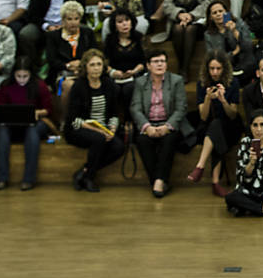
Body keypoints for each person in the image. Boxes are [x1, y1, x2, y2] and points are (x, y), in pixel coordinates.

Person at [131, 50, 190, 198]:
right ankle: (159, 181)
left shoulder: (176, 80)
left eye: (162, 61)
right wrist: (147, 127)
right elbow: (135, 108)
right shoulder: (140, 82)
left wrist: (167, 127)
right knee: (142, 140)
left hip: (169, 123)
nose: (160, 64)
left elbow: (180, 108)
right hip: (149, 124)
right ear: (148, 66)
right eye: (156, 61)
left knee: (169, 140)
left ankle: (157, 181)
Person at [65, 49, 123, 193]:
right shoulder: (79, 86)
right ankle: (89, 178)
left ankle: (83, 172)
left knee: (119, 147)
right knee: (99, 139)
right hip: (79, 128)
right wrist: (99, 130)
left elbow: (115, 113)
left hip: (103, 128)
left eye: (99, 64)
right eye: (92, 65)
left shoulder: (109, 84)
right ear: (86, 67)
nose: (96, 68)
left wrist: (112, 129)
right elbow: (73, 119)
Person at [0, 56, 52, 191]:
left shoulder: (39, 85)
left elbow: (48, 110)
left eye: (25, 76)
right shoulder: (7, 86)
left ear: (31, 74)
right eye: (18, 76)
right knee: (1, 131)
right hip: (11, 124)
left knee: (32, 132)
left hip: (35, 123)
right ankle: (1, 178)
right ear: (14, 74)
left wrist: (37, 113)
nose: (22, 80)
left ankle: (28, 179)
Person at [189, 50, 242, 196]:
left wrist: (223, 100)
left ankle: (200, 166)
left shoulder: (233, 83)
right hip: (211, 125)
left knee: (216, 129)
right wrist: (207, 98)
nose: (215, 72)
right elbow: (203, 116)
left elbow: (232, 114)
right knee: (215, 129)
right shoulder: (202, 84)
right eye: (212, 68)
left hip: (231, 126)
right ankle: (214, 182)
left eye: (218, 68)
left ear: (224, 68)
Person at [102, 8, 145, 120]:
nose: (124, 24)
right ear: (115, 25)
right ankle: (113, 120)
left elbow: (144, 61)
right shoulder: (109, 40)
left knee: (129, 88)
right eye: (120, 22)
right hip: (115, 76)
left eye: (127, 20)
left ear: (132, 22)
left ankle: (129, 121)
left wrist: (135, 71)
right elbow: (105, 62)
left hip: (135, 74)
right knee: (113, 88)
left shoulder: (139, 37)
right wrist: (113, 72)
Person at [205, 0, 255, 79]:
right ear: (211, 17)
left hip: (244, 62)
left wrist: (234, 31)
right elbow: (213, 56)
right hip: (223, 67)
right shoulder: (209, 35)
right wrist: (234, 53)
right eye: (215, 13)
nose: (218, 14)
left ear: (227, 13)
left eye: (220, 11)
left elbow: (248, 46)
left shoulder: (239, 23)